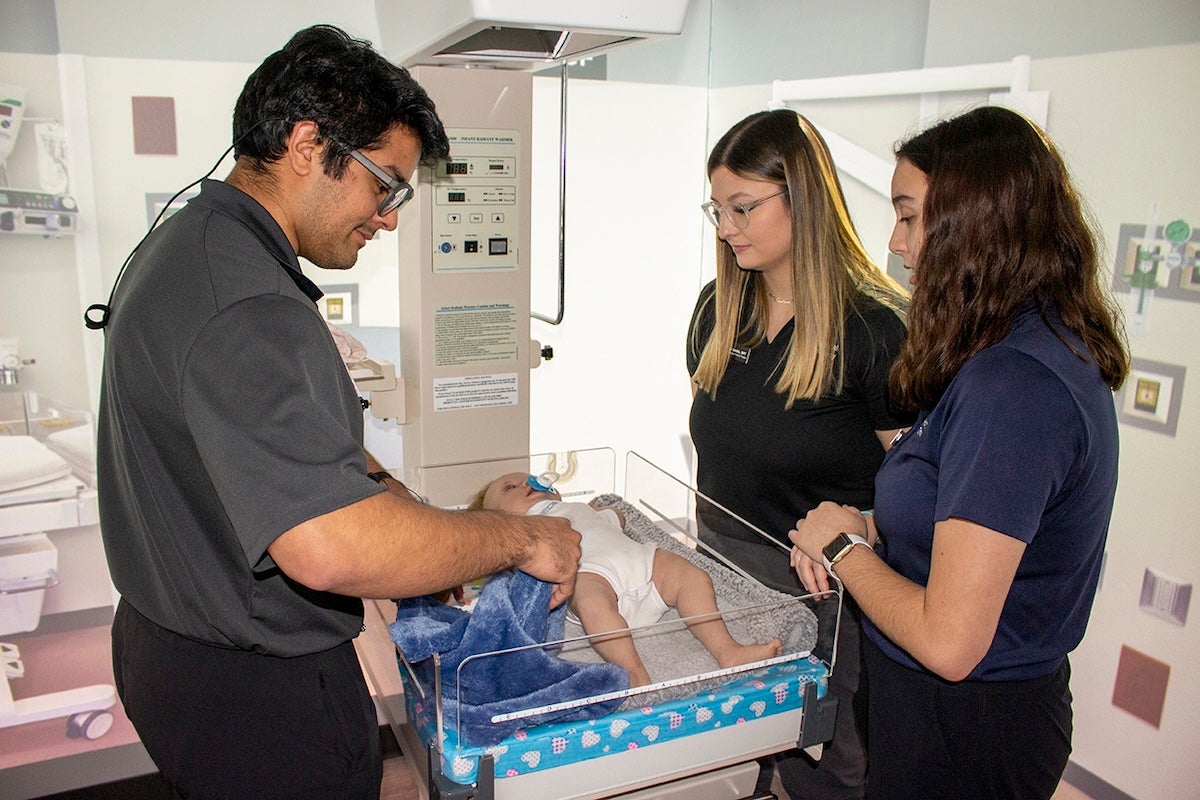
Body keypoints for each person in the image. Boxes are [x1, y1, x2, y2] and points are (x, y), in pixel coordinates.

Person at [95, 26, 581, 800]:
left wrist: (430, 530)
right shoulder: (249, 304)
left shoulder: (193, 244)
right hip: (253, 697)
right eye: (384, 184)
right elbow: (328, 545)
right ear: (306, 143)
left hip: (172, 647)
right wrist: (517, 538)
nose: (388, 217)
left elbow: (313, 456)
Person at [790, 105, 1129, 800]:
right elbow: (971, 521)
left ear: (973, 226)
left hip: (966, 731)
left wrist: (840, 550)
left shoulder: (1015, 389)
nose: (896, 242)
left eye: (910, 217)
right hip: (944, 714)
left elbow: (950, 643)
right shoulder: (1017, 351)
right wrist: (873, 525)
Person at [686, 109, 912, 800]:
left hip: (821, 586)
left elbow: (916, 490)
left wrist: (862, 533)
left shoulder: (876, 327)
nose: (727, 229)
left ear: (802, 197)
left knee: (824, 762)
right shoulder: (717, 311)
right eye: (717, 209)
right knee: (734, 751)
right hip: (722, 563)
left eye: (744, 207)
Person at [474, 472, 783, 687]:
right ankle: (634, 673)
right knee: (592, 604)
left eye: (526, 477)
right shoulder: (524, 531)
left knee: (693, 577)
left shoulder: (582, 508)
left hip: (644, 564)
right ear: (500, 522)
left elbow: (616, 517)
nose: (524, 483)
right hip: (590, 573)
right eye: (509, 488)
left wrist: (605, 511)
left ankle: (727, 650)